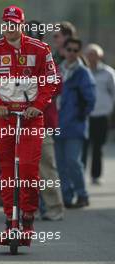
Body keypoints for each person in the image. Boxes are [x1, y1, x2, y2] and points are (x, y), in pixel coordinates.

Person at [0, 5, 58, 245]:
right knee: (7, 171)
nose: (10, 28)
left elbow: (50, 82)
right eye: (6, 24)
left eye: (14, 24)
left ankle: (28, 219)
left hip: (31, 117)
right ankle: (10, 223)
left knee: (29, 170)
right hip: (4, 117)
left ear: (22, 25)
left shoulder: (40, 49)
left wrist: (38, 105)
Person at [26, 20, 64, 221]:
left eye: (35, 38)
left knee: (46, 167)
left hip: (43, 122)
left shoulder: (47, 59)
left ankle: (55, 207)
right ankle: (25, 208)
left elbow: (56, 85)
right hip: (20, 121)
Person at [55, 38, 96, 208]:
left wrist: (80, 115)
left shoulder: (83, 73)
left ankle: (82, 194)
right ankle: (66, 196)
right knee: (61, 165)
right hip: (57, 125)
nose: (71, 53)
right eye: (69, 49)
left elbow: (91, 100)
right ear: (63, 51)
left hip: (74, 126)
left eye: (75, 50)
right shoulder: (57, 71)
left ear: (79, 52)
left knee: (73, 161)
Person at [85, 44, 115, 185]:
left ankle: (95, 175)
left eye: (94, 54)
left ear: (100, 56)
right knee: (83, 146)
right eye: (90, 54)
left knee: (98, 146)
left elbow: (113, 92)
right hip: (85, 115)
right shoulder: (83, 72)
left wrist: (109, 109)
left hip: (102, 115)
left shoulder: (108, 73)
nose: (92, 57)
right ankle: (80, 174)